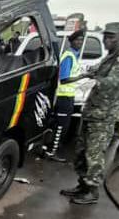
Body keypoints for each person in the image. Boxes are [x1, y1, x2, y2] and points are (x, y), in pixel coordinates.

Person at [60, 22, 119, 205]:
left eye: (111, 38)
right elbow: (96, 70)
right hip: (93, 110)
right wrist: (88, 73)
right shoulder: (110, 56)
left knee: (94, 153)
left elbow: (112, 82)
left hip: (105, 115)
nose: (106, 41)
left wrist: (93, 80)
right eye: (105, 37)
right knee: (82, 150)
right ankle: (82, 185)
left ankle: (91, 190)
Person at [47, 29, 85, 162]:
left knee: (61, 125)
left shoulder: (74, 56)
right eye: (77, 40)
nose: (79, 42)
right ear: (71, 42)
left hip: (68, 96)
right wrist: (83, 76)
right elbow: (64, 79)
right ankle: (52, 152)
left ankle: (50, 149)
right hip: (63, 97)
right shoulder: (68, 56)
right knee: (61, 127)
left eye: (81, 40)